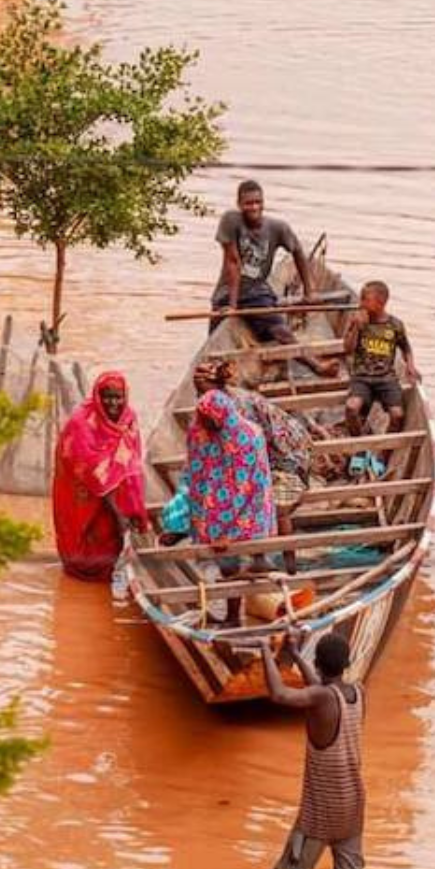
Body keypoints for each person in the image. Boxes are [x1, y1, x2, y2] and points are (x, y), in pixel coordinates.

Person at [248, 631, 366, 869]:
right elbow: (321, 689)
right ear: (347, 664)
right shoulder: (358, 692)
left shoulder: (321, 698)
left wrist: (264, 650)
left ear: (318, 664)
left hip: (321, 813)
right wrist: (297, 655)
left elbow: (279, 694)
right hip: (353, 809)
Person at [193, 360, 316, 574]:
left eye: (203, 392)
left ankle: (287, 567)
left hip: (283, 460)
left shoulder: (240, 414)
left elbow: (249, 476)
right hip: (253, 461)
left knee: (275, 505)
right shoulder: (211, 408)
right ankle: (240, 568)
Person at [210, 179, 338, 378]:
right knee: (213, 348)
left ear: (263, 203)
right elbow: (233, 262)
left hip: (256, 292)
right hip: (227, 293)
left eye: (257, 202)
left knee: (281, 331)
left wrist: (309, 291)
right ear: (239, 205)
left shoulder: (277, 228)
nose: (253, 207)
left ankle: (316, 366)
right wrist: (233, 306)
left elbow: (298, 252)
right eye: (248, 203)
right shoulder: (231, 221)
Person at [185, 387, 276, 626]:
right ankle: (234, 609)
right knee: (223, 557)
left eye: (205, 421)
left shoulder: (247, 437)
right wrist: (197, 516)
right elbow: (196, 473)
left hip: (247, 507)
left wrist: (228, 534)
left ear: (219, 418)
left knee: (229, 558)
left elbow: (253, 490)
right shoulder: (201, 432)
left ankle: (234, 616)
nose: (199, 425)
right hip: (219, 502)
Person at [52, 371, 147, 581]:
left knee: (109, 546)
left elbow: (131, 466)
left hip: (116, 498)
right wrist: (119, 514)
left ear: (125, 397)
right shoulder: (81, 424)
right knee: (84, 550)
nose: (113, 403)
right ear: (97, 396)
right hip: (84, 497)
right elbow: (93, 474)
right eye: (107, 396)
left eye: (118, 397)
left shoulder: (128, 419)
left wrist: (132, 509)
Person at [342, 280, 419, 438]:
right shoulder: (358, 321)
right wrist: (356, 327)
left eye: (365, 299)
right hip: (361, 377)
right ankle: (360, 446)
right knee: (351, 408)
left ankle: (382, 455)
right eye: (361, 298)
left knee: (397, 415)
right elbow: (348, 350)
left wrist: (410, 366)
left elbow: (406, 348)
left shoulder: (395, 325)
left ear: (380, 303)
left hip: (386, 379)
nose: (361, 303)